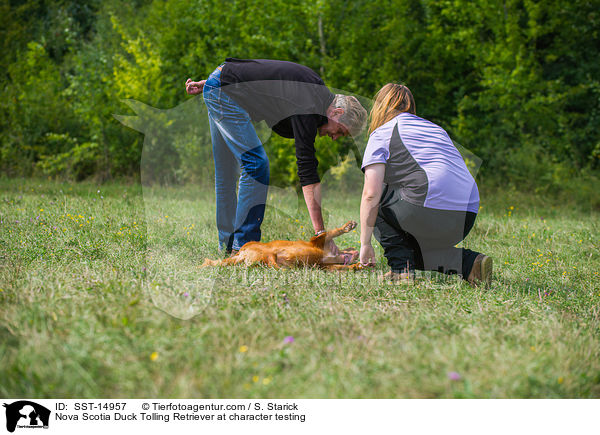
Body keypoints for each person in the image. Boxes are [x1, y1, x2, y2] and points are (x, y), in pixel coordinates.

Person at [185, 58, 367, 254]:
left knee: (226, 172)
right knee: (255, 164)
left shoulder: (316, 91)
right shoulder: (310, 105)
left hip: (222, 85)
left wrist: (213, 82)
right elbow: (307, 171)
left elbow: (265, 75)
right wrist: (321, 234)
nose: (334, 138)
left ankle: (228, 248)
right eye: (340, 131)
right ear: (337, 112)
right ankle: (245, 248)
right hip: (223, 90)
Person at [358, 83, 492, 285]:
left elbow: (370, 193)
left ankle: (402, 271)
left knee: (379, 197)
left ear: (380, 108)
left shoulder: (382, 133)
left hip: (429, 209)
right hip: (466, 215)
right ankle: (469, 263)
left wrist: (365, 243)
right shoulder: (435, 129)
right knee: (410, 250)